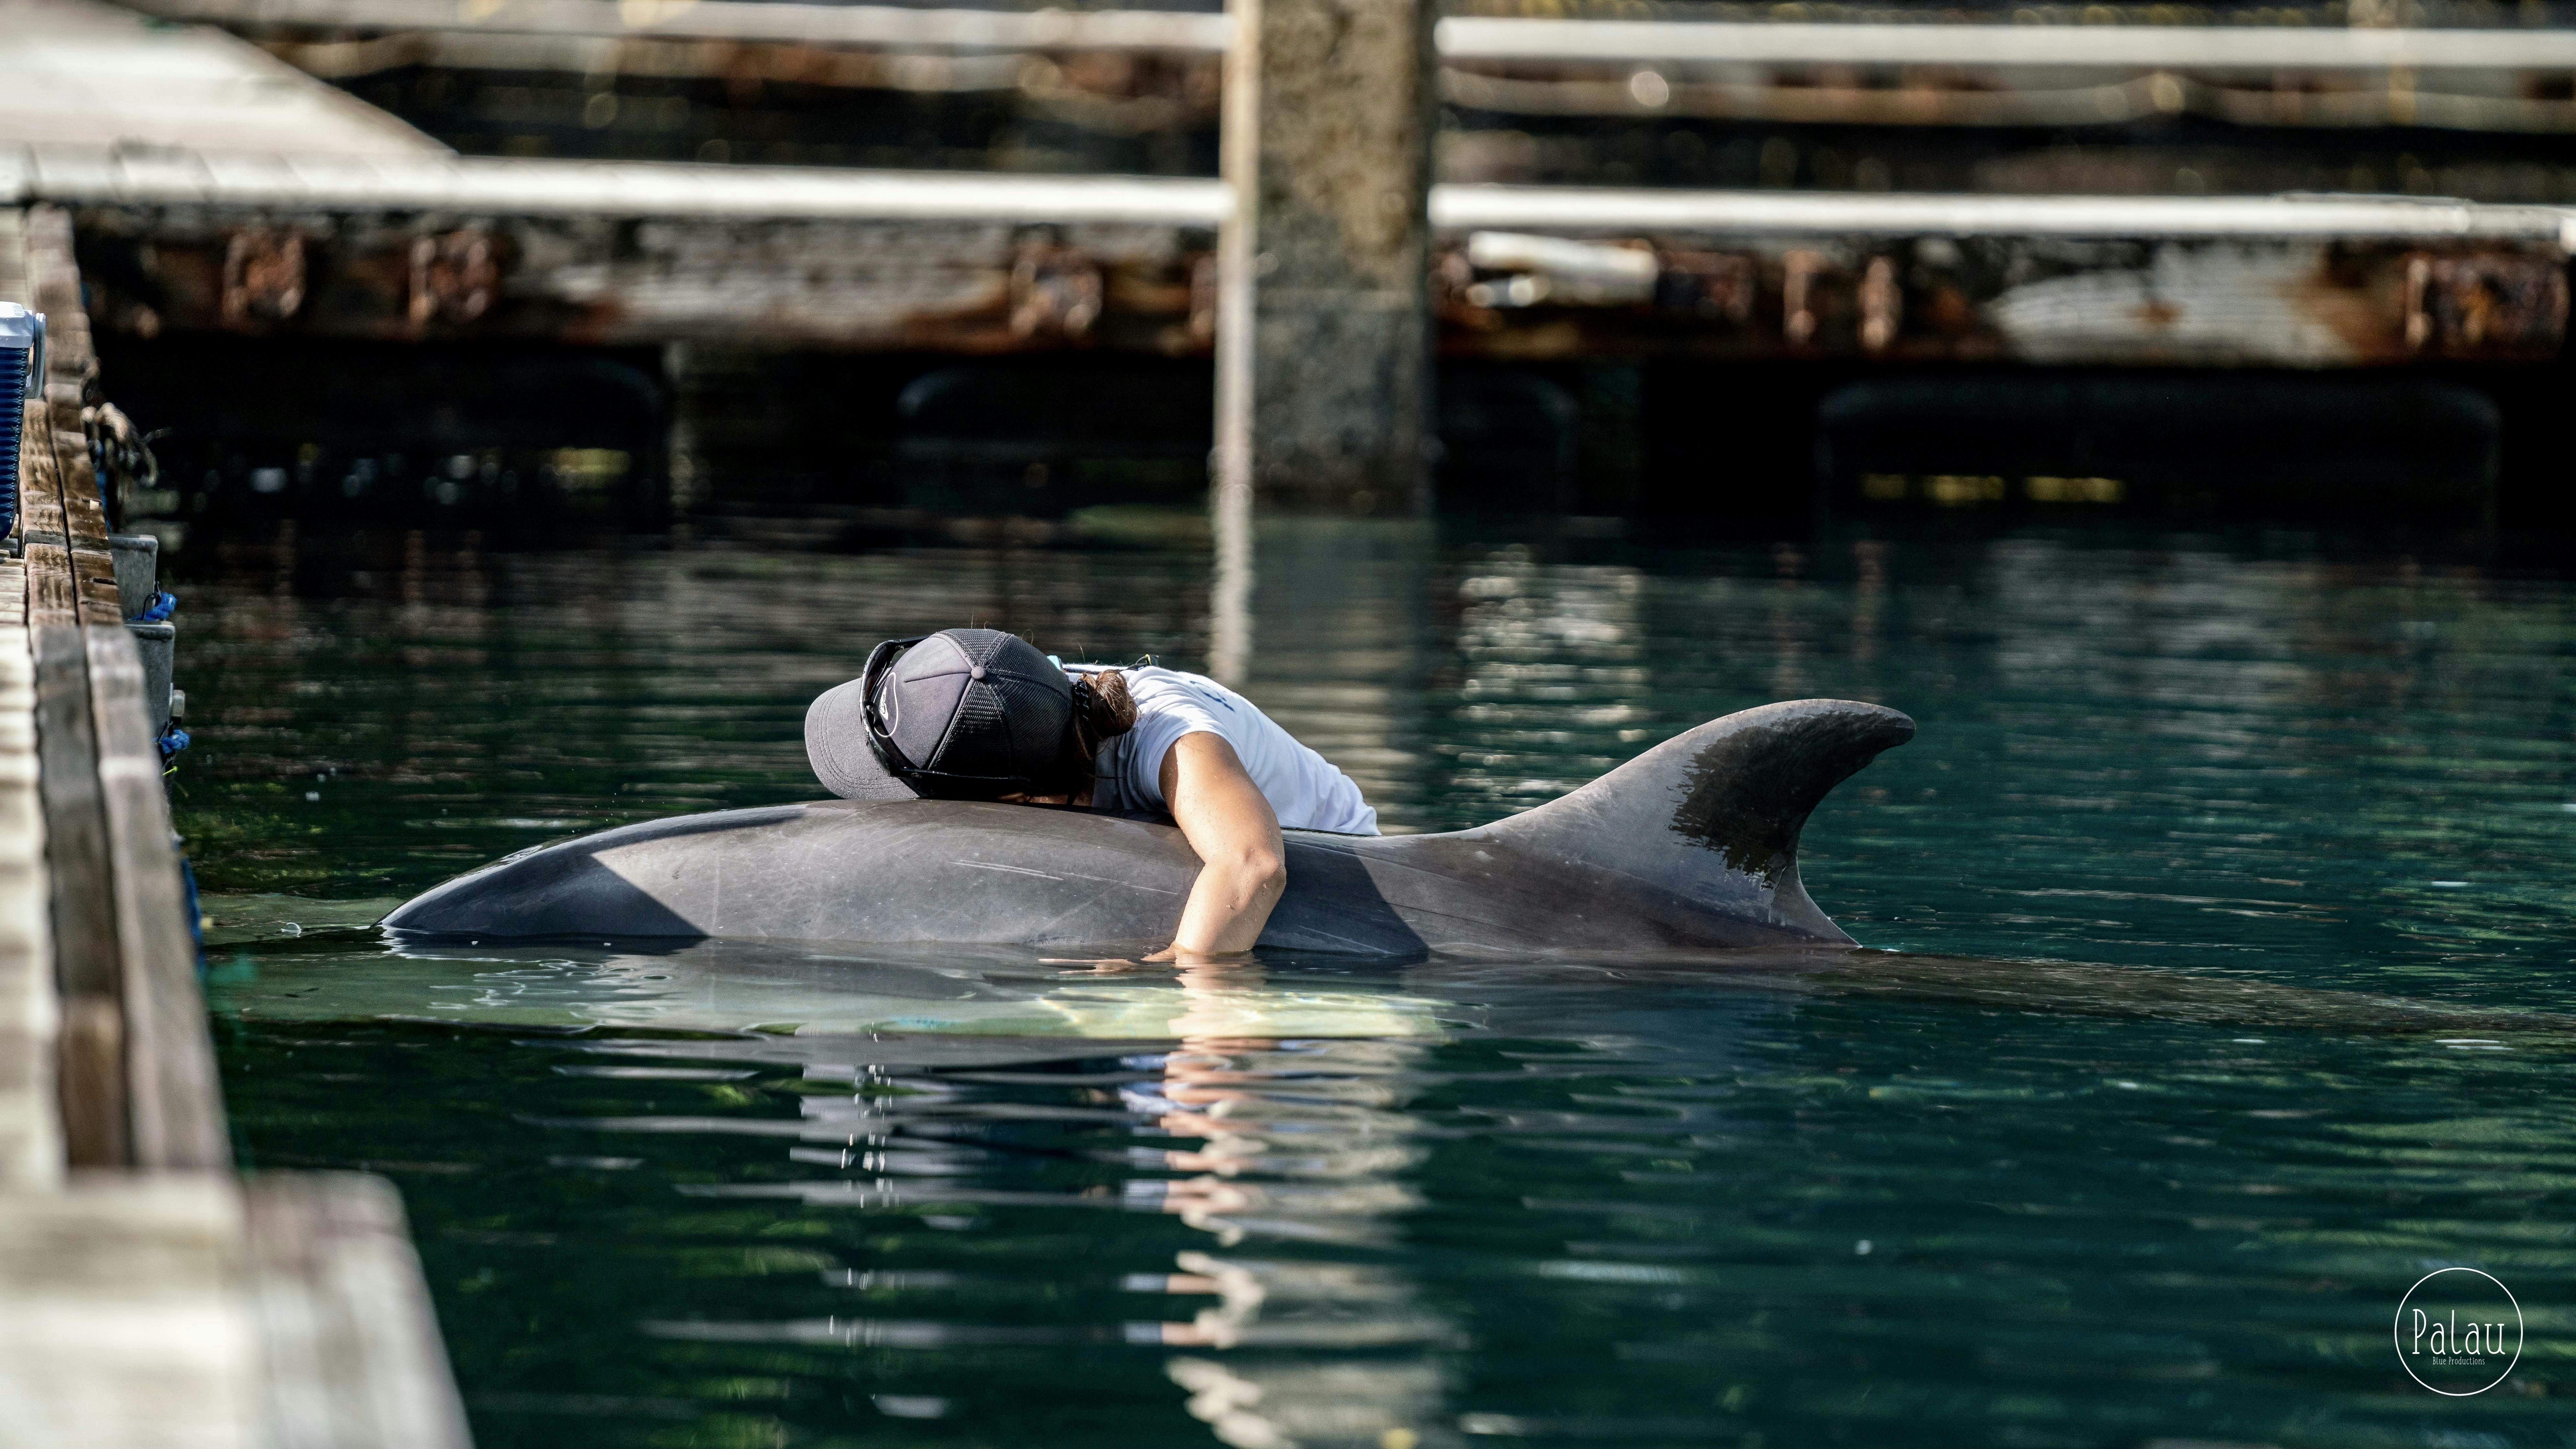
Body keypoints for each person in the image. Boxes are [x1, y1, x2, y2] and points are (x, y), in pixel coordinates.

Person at [803, 628, 1376, 960]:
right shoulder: (1027, 700)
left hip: (1344, 886)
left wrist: (1175, 977)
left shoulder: (1168, 736)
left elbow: (1254, 864)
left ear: (1029, 799)